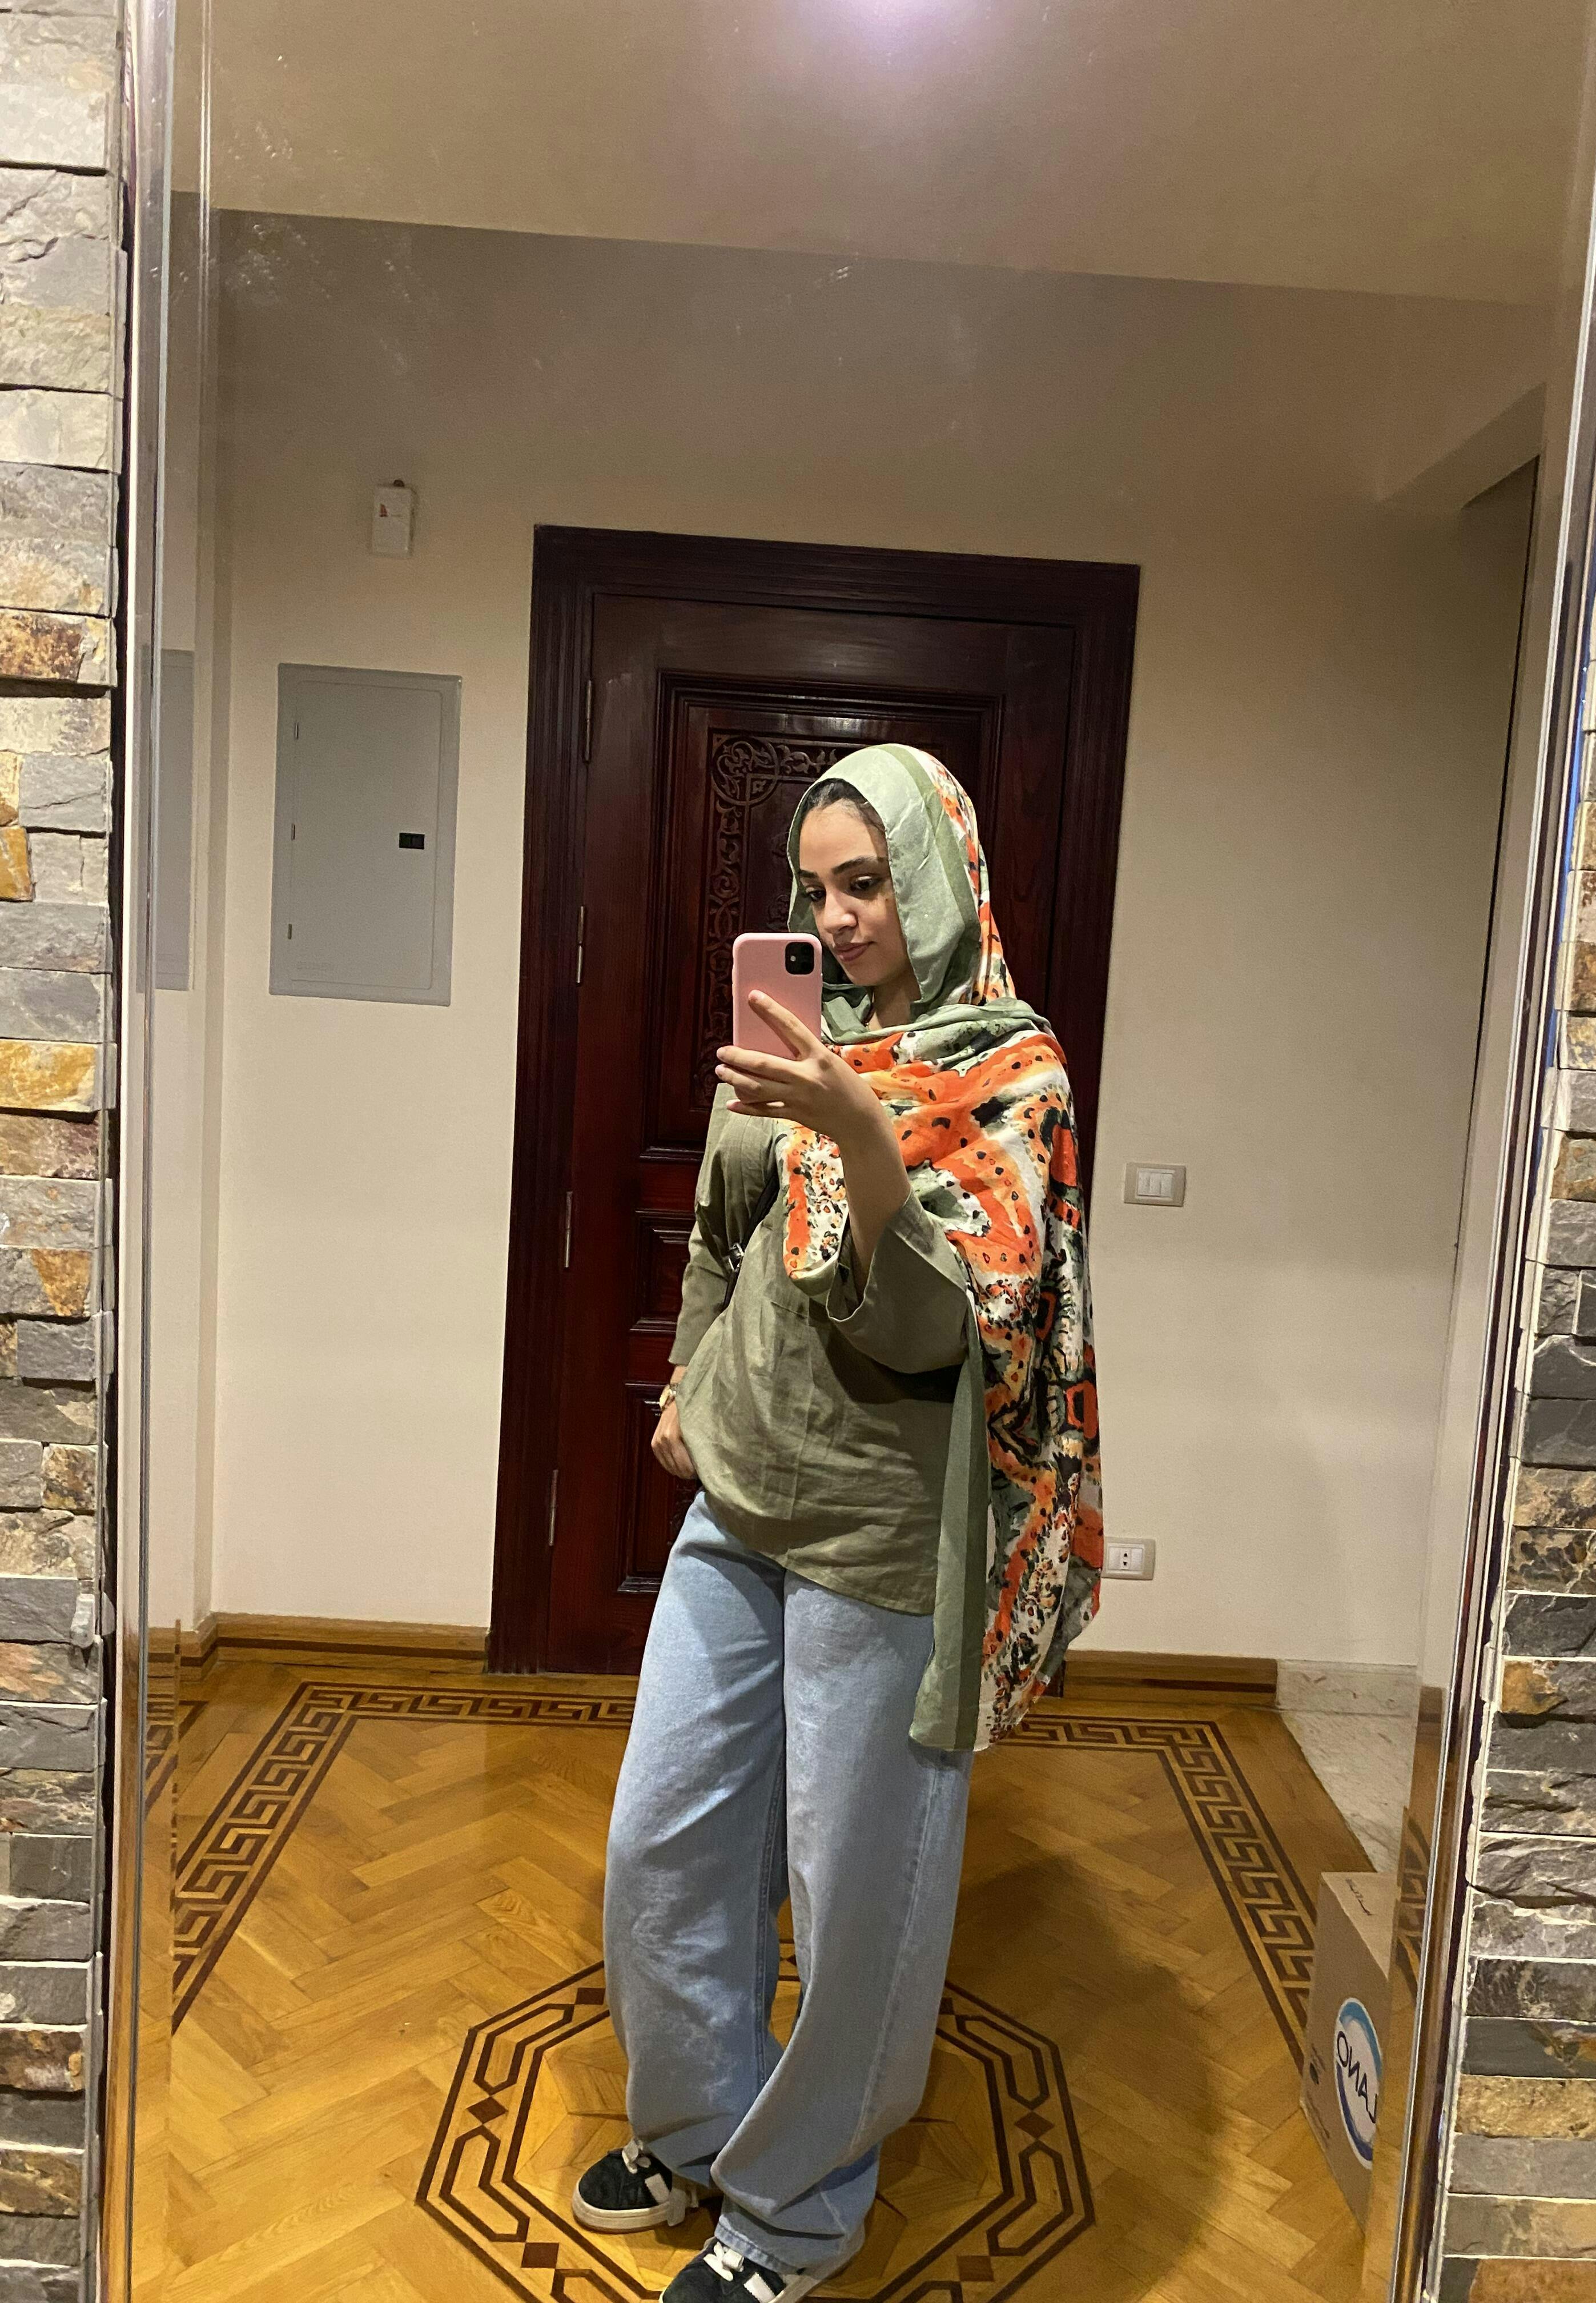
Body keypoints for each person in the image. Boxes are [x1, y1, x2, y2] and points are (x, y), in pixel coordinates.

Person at [573, 744, 1104, 2302]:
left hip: (883, 1532)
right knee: (664, 1839)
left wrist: (865, 1135)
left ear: (936, 878)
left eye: (866, 882)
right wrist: (687, 1374)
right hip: (740, 1499)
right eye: (815, 890)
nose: (838, 917)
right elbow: (723, 1224)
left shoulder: (1011, 1076)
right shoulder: (800, 1035)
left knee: (858, 1890)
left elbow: (938, 1334)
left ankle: (797, 2213)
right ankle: (696, 2126)